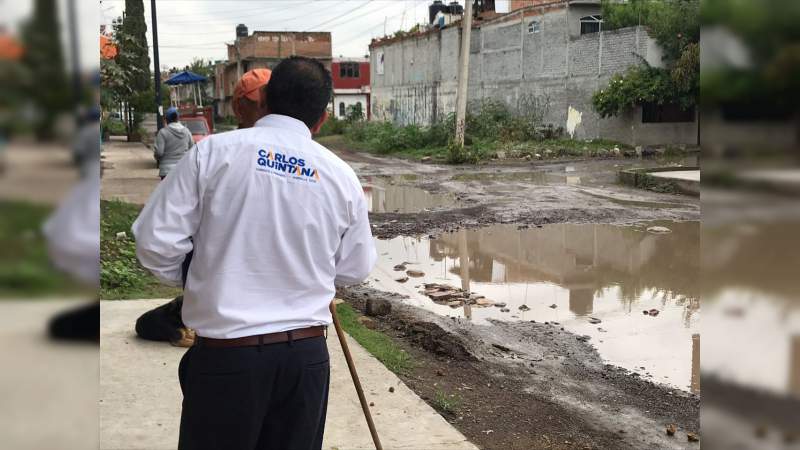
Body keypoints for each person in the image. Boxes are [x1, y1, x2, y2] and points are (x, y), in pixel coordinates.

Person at [132, 56, 376, 450]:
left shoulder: (213, 154)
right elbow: (356, 267)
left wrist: (202, 275)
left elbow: (154, 243)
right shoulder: (340, 175)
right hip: (305, 360)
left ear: (265, 100)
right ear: (323, 118)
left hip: (229, 359)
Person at [153, 107, 193, 179]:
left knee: (167, 190)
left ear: (167, 120)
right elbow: (192, 149)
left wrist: (156, 157)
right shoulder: (187, 132)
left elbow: (159, 153)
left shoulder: (163, 132)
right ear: (178, 118)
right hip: (183, 169)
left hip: (166, 170)